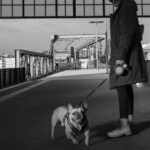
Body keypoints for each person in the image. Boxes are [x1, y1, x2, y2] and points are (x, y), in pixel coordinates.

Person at [108, 0, 147, 138]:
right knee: (125, 87)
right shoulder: (125, 8)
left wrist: (120, 57)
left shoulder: (126, 9)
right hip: (124, 55)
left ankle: (124, 125)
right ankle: (128, 123)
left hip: (125, 57)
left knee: (122, 88)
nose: (110, 1)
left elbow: (127, 34)